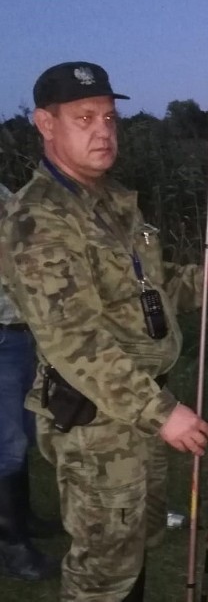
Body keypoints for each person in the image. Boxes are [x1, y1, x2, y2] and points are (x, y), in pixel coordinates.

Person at [0, 61, 208, 601]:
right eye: (84, 117)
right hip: (99, 426)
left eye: (110, 117)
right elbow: (73, 339)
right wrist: (164, 413)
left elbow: (146, 296)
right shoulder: (38, 219)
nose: (103, 131)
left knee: (134, 543)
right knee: (101, 572)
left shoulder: (111, 201)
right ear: (46, 124)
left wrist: (203, 280)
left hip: (137, 405)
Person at [0, 183, 62, 582]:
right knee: (6, 443)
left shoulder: (5, 193)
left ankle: (24, 519)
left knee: (22, 431)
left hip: (20, 331)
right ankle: (12, 547)